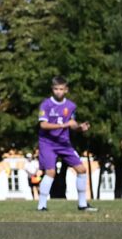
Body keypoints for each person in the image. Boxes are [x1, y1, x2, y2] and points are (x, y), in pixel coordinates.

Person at [36, 77, 95, 212]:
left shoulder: (71, 106)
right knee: (50, 172)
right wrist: (63, 125)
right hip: (47, 143)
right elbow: (43, 125)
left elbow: (72, 123)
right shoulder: (45, 105)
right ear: (52, 89)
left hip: (63, 143)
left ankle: (82, 205)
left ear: (66, 90)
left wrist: (80, 128)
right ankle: (42, 206)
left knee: (81, 170)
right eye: (56, 89)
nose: (58, 92)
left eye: (61, 89)